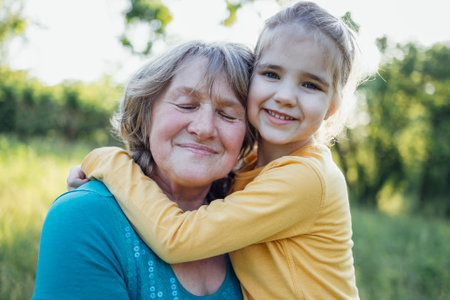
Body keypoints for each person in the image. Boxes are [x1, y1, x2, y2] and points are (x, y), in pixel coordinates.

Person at [71, 1, 371, 298]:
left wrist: (108, 162)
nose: (285, 96)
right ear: (249, 81)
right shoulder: (253, 166)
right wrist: (101, 188)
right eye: (271, 75)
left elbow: (178, 240)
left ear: (331, 107)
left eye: (311, 85)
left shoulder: (307, 178)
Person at [33, 41, 255, 299]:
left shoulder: (253, 222)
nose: (204, 128)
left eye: (228, 114)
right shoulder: (85, 217)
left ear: (246, 136)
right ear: (146, 115)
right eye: (186, 105)